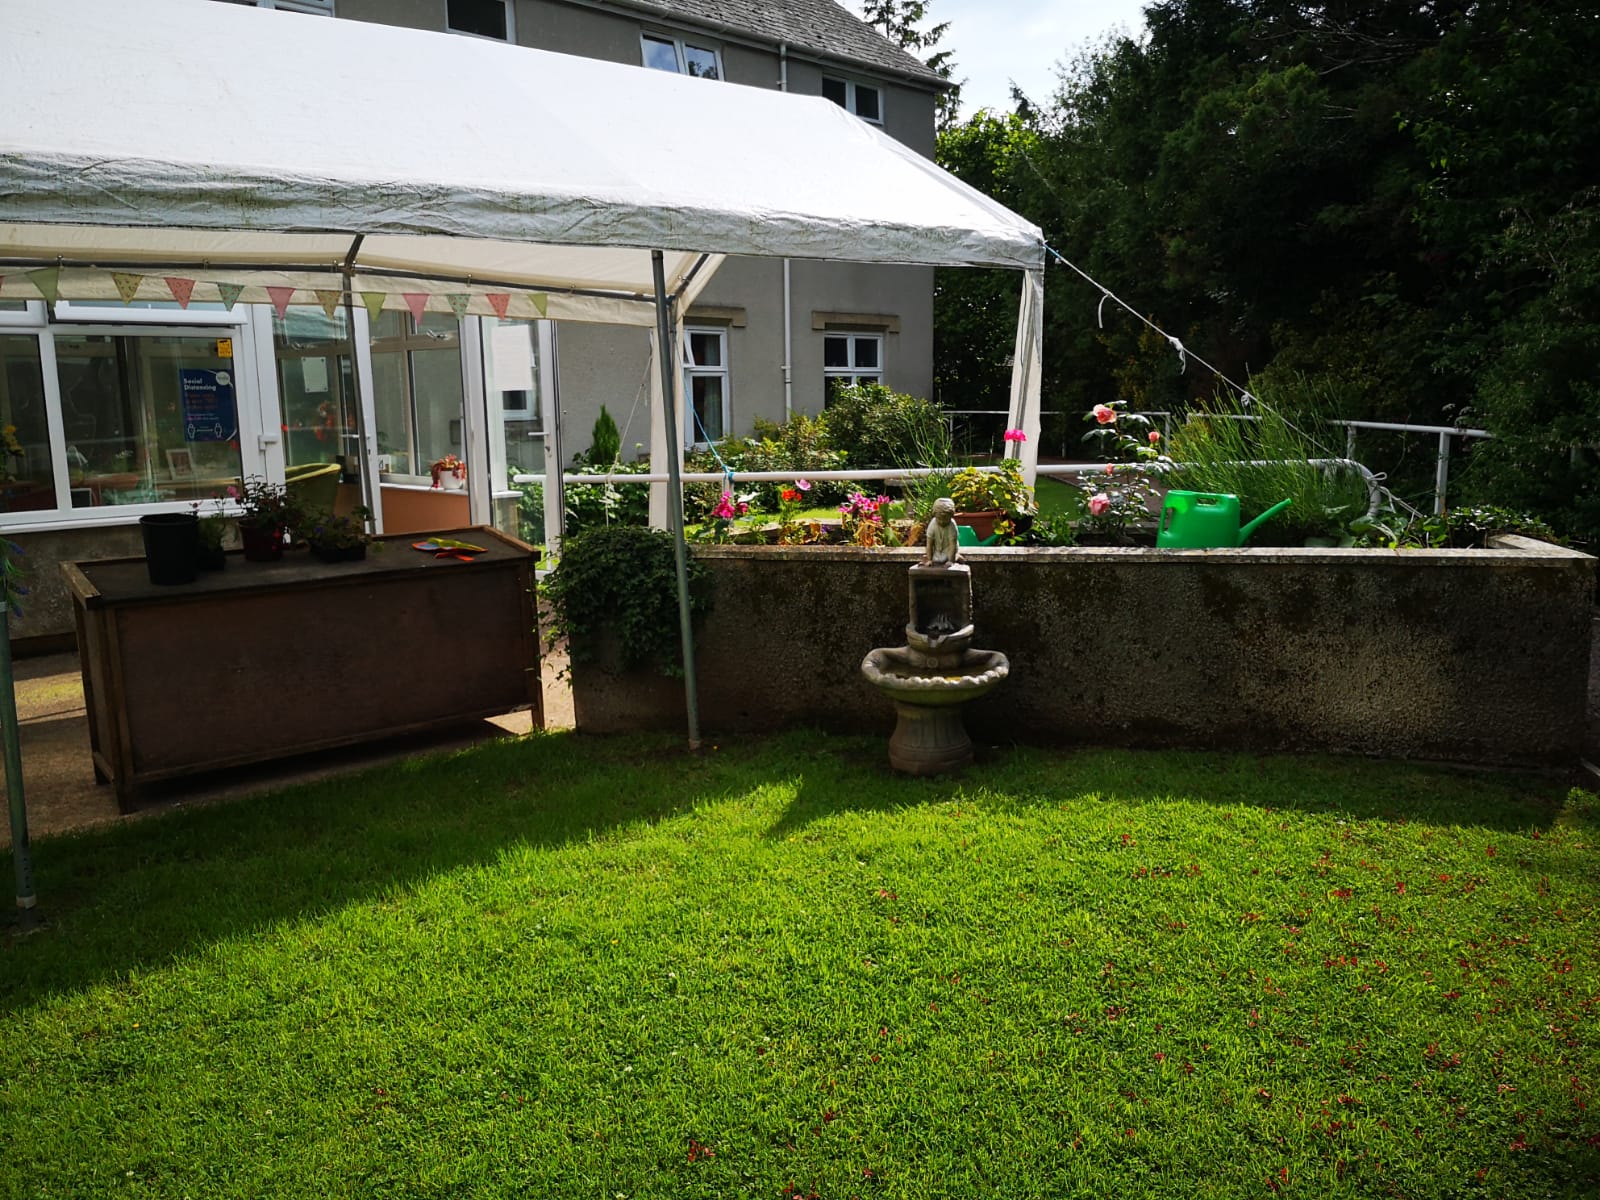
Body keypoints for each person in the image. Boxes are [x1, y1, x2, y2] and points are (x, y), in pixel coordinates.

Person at [923, 497, 960, 566]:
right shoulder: (933, 524)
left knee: (949, 556)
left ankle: (955, 557)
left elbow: (952, 544)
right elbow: (929, 544)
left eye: (945, 519)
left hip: (948, 550)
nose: (942, 522)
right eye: (939, 519)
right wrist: (929, 559)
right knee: (935, 559)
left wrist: (950, 560)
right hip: (937, 550)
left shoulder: (952, 525)